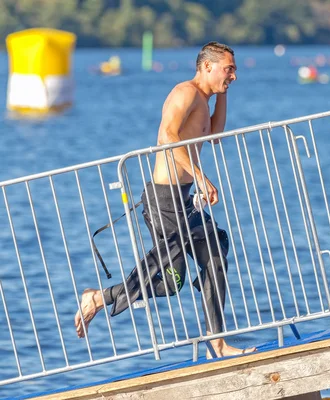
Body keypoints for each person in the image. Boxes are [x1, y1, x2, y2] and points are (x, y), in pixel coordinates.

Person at [74, 41, 255, 358]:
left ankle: (217, 341)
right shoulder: (184, 92)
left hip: (182, 198)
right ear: (207, 66)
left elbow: (214, 134)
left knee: (204, 262)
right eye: (229, 69)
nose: (234, 76)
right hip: (164, 200)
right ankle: (99, 298)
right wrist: (199, 175)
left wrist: (223, 92)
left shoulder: (204, 99)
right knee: (186, 269)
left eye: (235, 70)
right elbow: (166, 137)